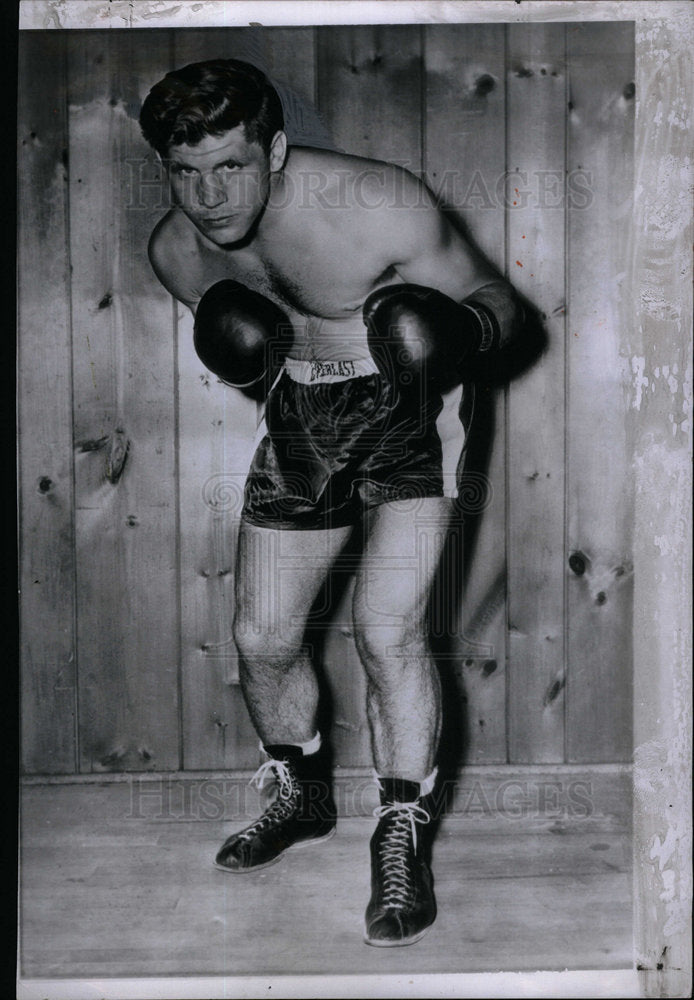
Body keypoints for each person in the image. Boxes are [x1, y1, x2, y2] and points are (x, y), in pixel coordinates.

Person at [139, 58, 525, 948]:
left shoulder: (379, 202)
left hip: (415, 408)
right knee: (262, 638)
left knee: (386, 630)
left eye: (231, 166)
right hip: (305, 419)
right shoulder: (174, 249)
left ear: (274, 148)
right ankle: (303, 793)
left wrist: (458, 332)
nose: (209, 195)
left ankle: (402, 829)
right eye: (186, 172)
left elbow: (502, 303)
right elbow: (254, 349)